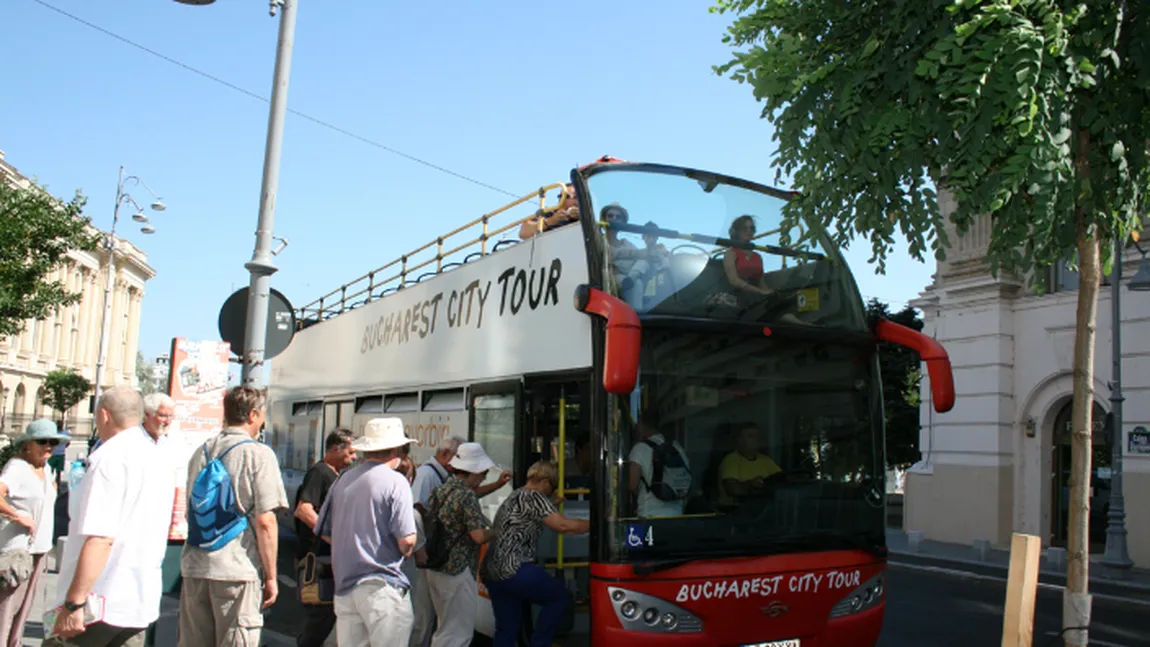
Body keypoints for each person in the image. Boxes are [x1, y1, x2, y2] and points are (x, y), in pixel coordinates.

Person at [48, 386, 174, 647]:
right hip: (139, 601)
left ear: (104, 415)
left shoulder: (110, 457)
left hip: (101, 601)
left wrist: (74, 603)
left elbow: (100, 537)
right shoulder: (157, 455)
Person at [178, 386, 289, 647]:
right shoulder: (258, 454)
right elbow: (265, 522)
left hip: (195, 566)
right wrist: (271, 576)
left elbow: (190, 509)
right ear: (252, 415)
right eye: (262, 414)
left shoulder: (201, 451)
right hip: (236, 570)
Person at [315, 418, 418, 646]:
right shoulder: (396, 482)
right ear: (395, 450)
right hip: (382, 585)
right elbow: (407, 541)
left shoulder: (342, 480)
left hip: (345, 587)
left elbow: (324, 530)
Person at [481, 461, 589, 647]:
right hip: (515, 568)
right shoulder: (534, 496)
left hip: (493, 571)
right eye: (552, 485)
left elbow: (527, 517)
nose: (551, 491)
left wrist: (552, 503)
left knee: (506, 628)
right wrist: (599, 524)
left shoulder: (516, 495)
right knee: (558, 597)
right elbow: (562, 526)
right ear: (545, 481)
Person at [425, 443, 499, 647]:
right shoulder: (466, 495)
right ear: (474, 471)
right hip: (457, 570)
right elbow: (478, 536)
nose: (484, 477)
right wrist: (498, 530)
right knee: (458, 633)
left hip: (436, 567)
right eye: (483, 473)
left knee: (445, 627)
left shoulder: (442, 489)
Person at [0, 419, 67, 646]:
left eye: (52, 442)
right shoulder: (18, 467)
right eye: (42, 441)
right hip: (17, 550)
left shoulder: (46, 469)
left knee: (25, 607)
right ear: (28, 444)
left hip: (39, 548)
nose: (48, 446)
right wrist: (17, 516)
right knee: (6, 607)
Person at [294, 429, 356, 647]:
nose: (354, 457)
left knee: (329, 616)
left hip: (327, 558)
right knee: (320, 617)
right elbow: (304, 510)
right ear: (334, 449)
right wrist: (331, 536)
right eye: (350, 452)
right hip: (316, 559)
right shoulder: (320, 472)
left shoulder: (335, 474)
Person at [627, 410, 690, 518]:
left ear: (642, 425)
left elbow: (632, 484)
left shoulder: (640, 449)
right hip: (677, 514)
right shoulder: (676, 447)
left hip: (651, 514)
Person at [717, 423, 783, 510]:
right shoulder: (730, 461)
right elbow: (734, 490)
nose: (755, 439)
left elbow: (782, 480)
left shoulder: (766, 460)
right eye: (750, 436)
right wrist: (751, 484)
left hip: (764, 510)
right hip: (735, 512)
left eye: (757, 436)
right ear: (739, 440)